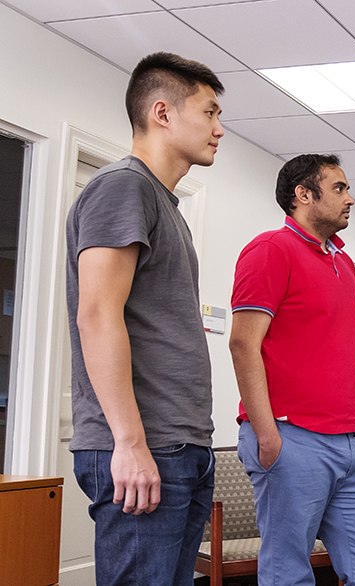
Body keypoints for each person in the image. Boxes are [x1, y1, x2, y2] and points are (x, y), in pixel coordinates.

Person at [65, 52, 223, 586]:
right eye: (209, 112)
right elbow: (96, 314)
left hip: (179, 444)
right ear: (162, 112)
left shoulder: (164, 205)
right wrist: (130, 443)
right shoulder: (123, 186)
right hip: (144, 443)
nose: (219, 129)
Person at [229, 154, 355, 585]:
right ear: (303, 194)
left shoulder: (340, 262)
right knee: (288, 571)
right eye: (339, 188)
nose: (351, 198)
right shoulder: (270, 249)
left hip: (352, 442)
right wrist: (267, 435)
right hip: (292, 437)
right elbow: (243, 344)